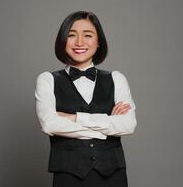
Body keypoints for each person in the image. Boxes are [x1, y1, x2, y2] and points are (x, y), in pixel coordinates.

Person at [35, 11, 137, 187]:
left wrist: (74, 118)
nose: (80, 42)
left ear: (98, 42)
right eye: (72, 35)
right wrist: (106, 127)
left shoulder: (117, 78)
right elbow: (49, 124)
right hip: (68, 176)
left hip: (113, 175)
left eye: (88, 35)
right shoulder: (47, 79)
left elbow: (128, 125)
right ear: (62, 41)